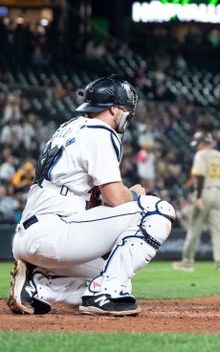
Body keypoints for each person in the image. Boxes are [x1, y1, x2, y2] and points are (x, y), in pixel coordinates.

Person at [7, 75, 175, 317]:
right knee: (158, 210)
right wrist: (135, 195)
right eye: (125, 109)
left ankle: (38, 285)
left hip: (32, 234)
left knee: (117, 277)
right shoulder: (100, 132)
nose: (127, 115)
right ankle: (102, 294)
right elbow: (115, 198)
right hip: (55, 232)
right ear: (114, 108)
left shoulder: (70, 127)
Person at [173, 131, 220, 273]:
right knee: (217, 230)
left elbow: (199, 176)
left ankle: (187, 262)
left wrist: (198, 197)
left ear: (203, 142)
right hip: (219, 192)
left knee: (194, 229)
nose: (197, 147)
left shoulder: (201, 155)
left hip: (204, 192)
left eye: (198, 143)